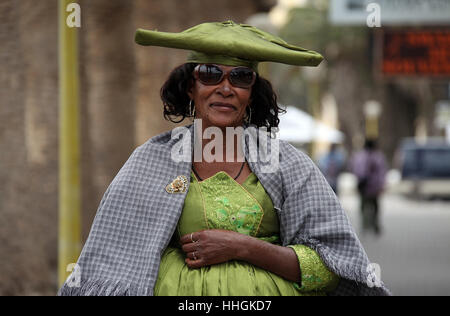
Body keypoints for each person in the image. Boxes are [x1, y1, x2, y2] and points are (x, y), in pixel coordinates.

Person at [58, 21, 390, 296]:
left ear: (251, 92)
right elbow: (115, 263)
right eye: (211, 73)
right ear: (190, 86)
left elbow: (328, 268)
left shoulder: (288, 163)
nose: (225, 87)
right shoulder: (151, 160)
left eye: (241, 77)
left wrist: (241, 247)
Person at [351, 139, 387, 235]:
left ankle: (364, 225)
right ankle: (375, 225)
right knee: (375, 206)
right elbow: (382, 172)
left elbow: (356, 171)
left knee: (363, 206)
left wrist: (358, 182)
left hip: (363, 186)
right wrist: (382, 185)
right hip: (374, 186)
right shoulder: (379, 156)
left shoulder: (359, 156)